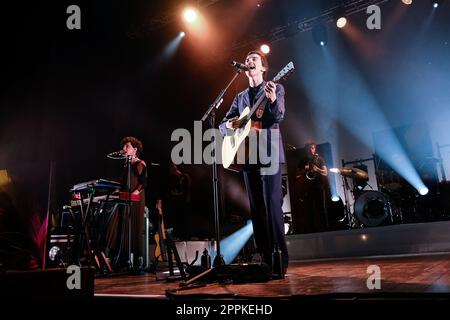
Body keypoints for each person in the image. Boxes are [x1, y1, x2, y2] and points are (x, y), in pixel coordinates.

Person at [219, 50, 288, 274]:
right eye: (247, 59)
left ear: (263, 68)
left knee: (271, 204)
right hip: (247, 155)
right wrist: (229, 125)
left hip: (269, 152)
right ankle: (266, 258)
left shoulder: (275, 88)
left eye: (254, 59)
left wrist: (272, 100)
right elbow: (223, 124)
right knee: (257, 208)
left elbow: (277, 117)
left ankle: (280, 259)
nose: (249, 61)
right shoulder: (240, 98)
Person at [106, 136, 147, 270]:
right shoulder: (126, 165)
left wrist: (135, 193)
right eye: (124, 147)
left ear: (135, 149)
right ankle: (117, 258)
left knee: (134, 226)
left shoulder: (140, 163)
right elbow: (122, 183)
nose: (124, 149)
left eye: (127, 146)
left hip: (136, 199)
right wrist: (116, 191)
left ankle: (136, 259)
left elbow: (143, 182)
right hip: (124, 198)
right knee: (118, 224)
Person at [298, 142, 329, 232]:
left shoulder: (319, 159)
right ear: (306, 150)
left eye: (312, 148)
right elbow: (296, 175)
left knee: (321, 208)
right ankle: (311, 230)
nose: (311, 150)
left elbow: (325, 172)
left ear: (314, 149)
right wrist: (305, 168)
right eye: (309, 148)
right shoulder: (303, 160)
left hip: (318, 186)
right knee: (309, 209)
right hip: (307, 187)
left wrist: (317, 169)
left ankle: (324, 228)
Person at [166, 163, 191, 240]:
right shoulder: (175, 179)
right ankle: (178, 236)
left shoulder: (185, 176)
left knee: (184, 220)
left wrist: (177, 193)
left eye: (171, 170)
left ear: (174, 169)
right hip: (177, 204)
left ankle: (186, 237)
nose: (171, 173)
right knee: (178, 220)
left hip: (185, 203)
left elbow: (187, 190)